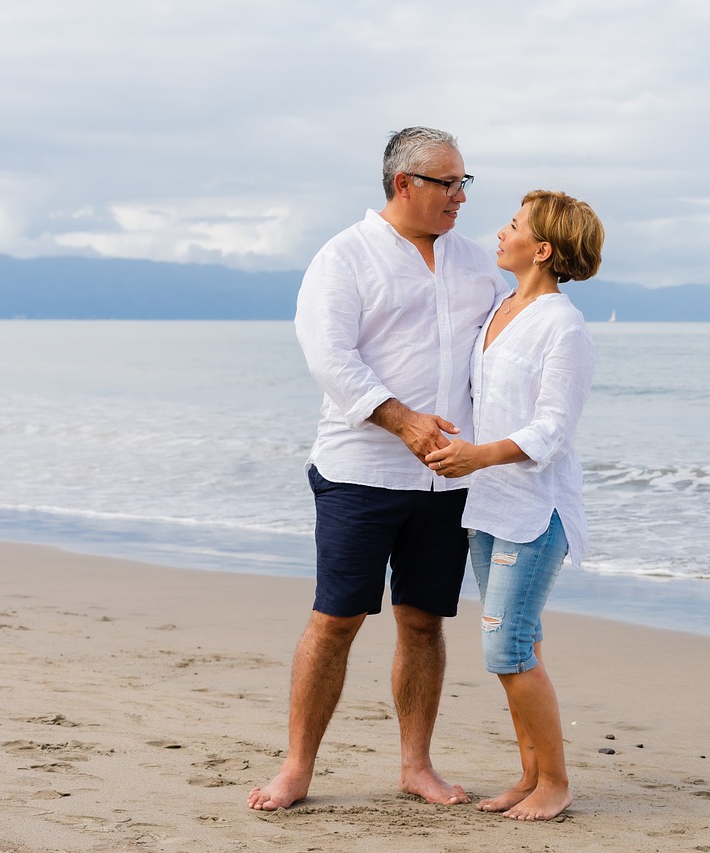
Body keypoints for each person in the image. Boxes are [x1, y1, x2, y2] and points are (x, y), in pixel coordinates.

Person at [248, 127, 509, 811]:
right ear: (404, 184)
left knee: (424, 621)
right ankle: (297, 767)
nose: (460, 196)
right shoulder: (345, 256)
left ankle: (416, 765)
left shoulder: (477, 261)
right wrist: (404, 420)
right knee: (335, 619)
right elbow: (330, 359)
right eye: (448, 183)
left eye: (464, 183)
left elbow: (498, 358)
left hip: (447, 478)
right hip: (360, 471)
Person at [424, 190, 604, 821]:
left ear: (544, 249)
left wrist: (478, 455)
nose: (500, 232)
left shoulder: (565, 326)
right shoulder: (502, 308)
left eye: (514, 225)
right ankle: (531, 777)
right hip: (487, 507)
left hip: (535, 513)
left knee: (509, 650)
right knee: (514, 650)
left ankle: (555, 782)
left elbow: (553, 430)